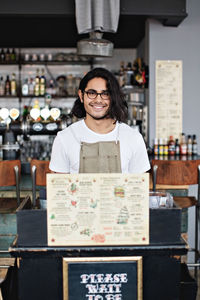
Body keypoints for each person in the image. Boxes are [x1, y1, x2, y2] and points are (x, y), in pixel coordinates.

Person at [49, 67, 150, 173]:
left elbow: (139, 187)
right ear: (81, 96)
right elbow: (57, 187)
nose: (98, 100)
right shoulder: (65, 138)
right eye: (92, 93)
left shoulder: (133, 138)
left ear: (114, 97)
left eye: (105, 94)